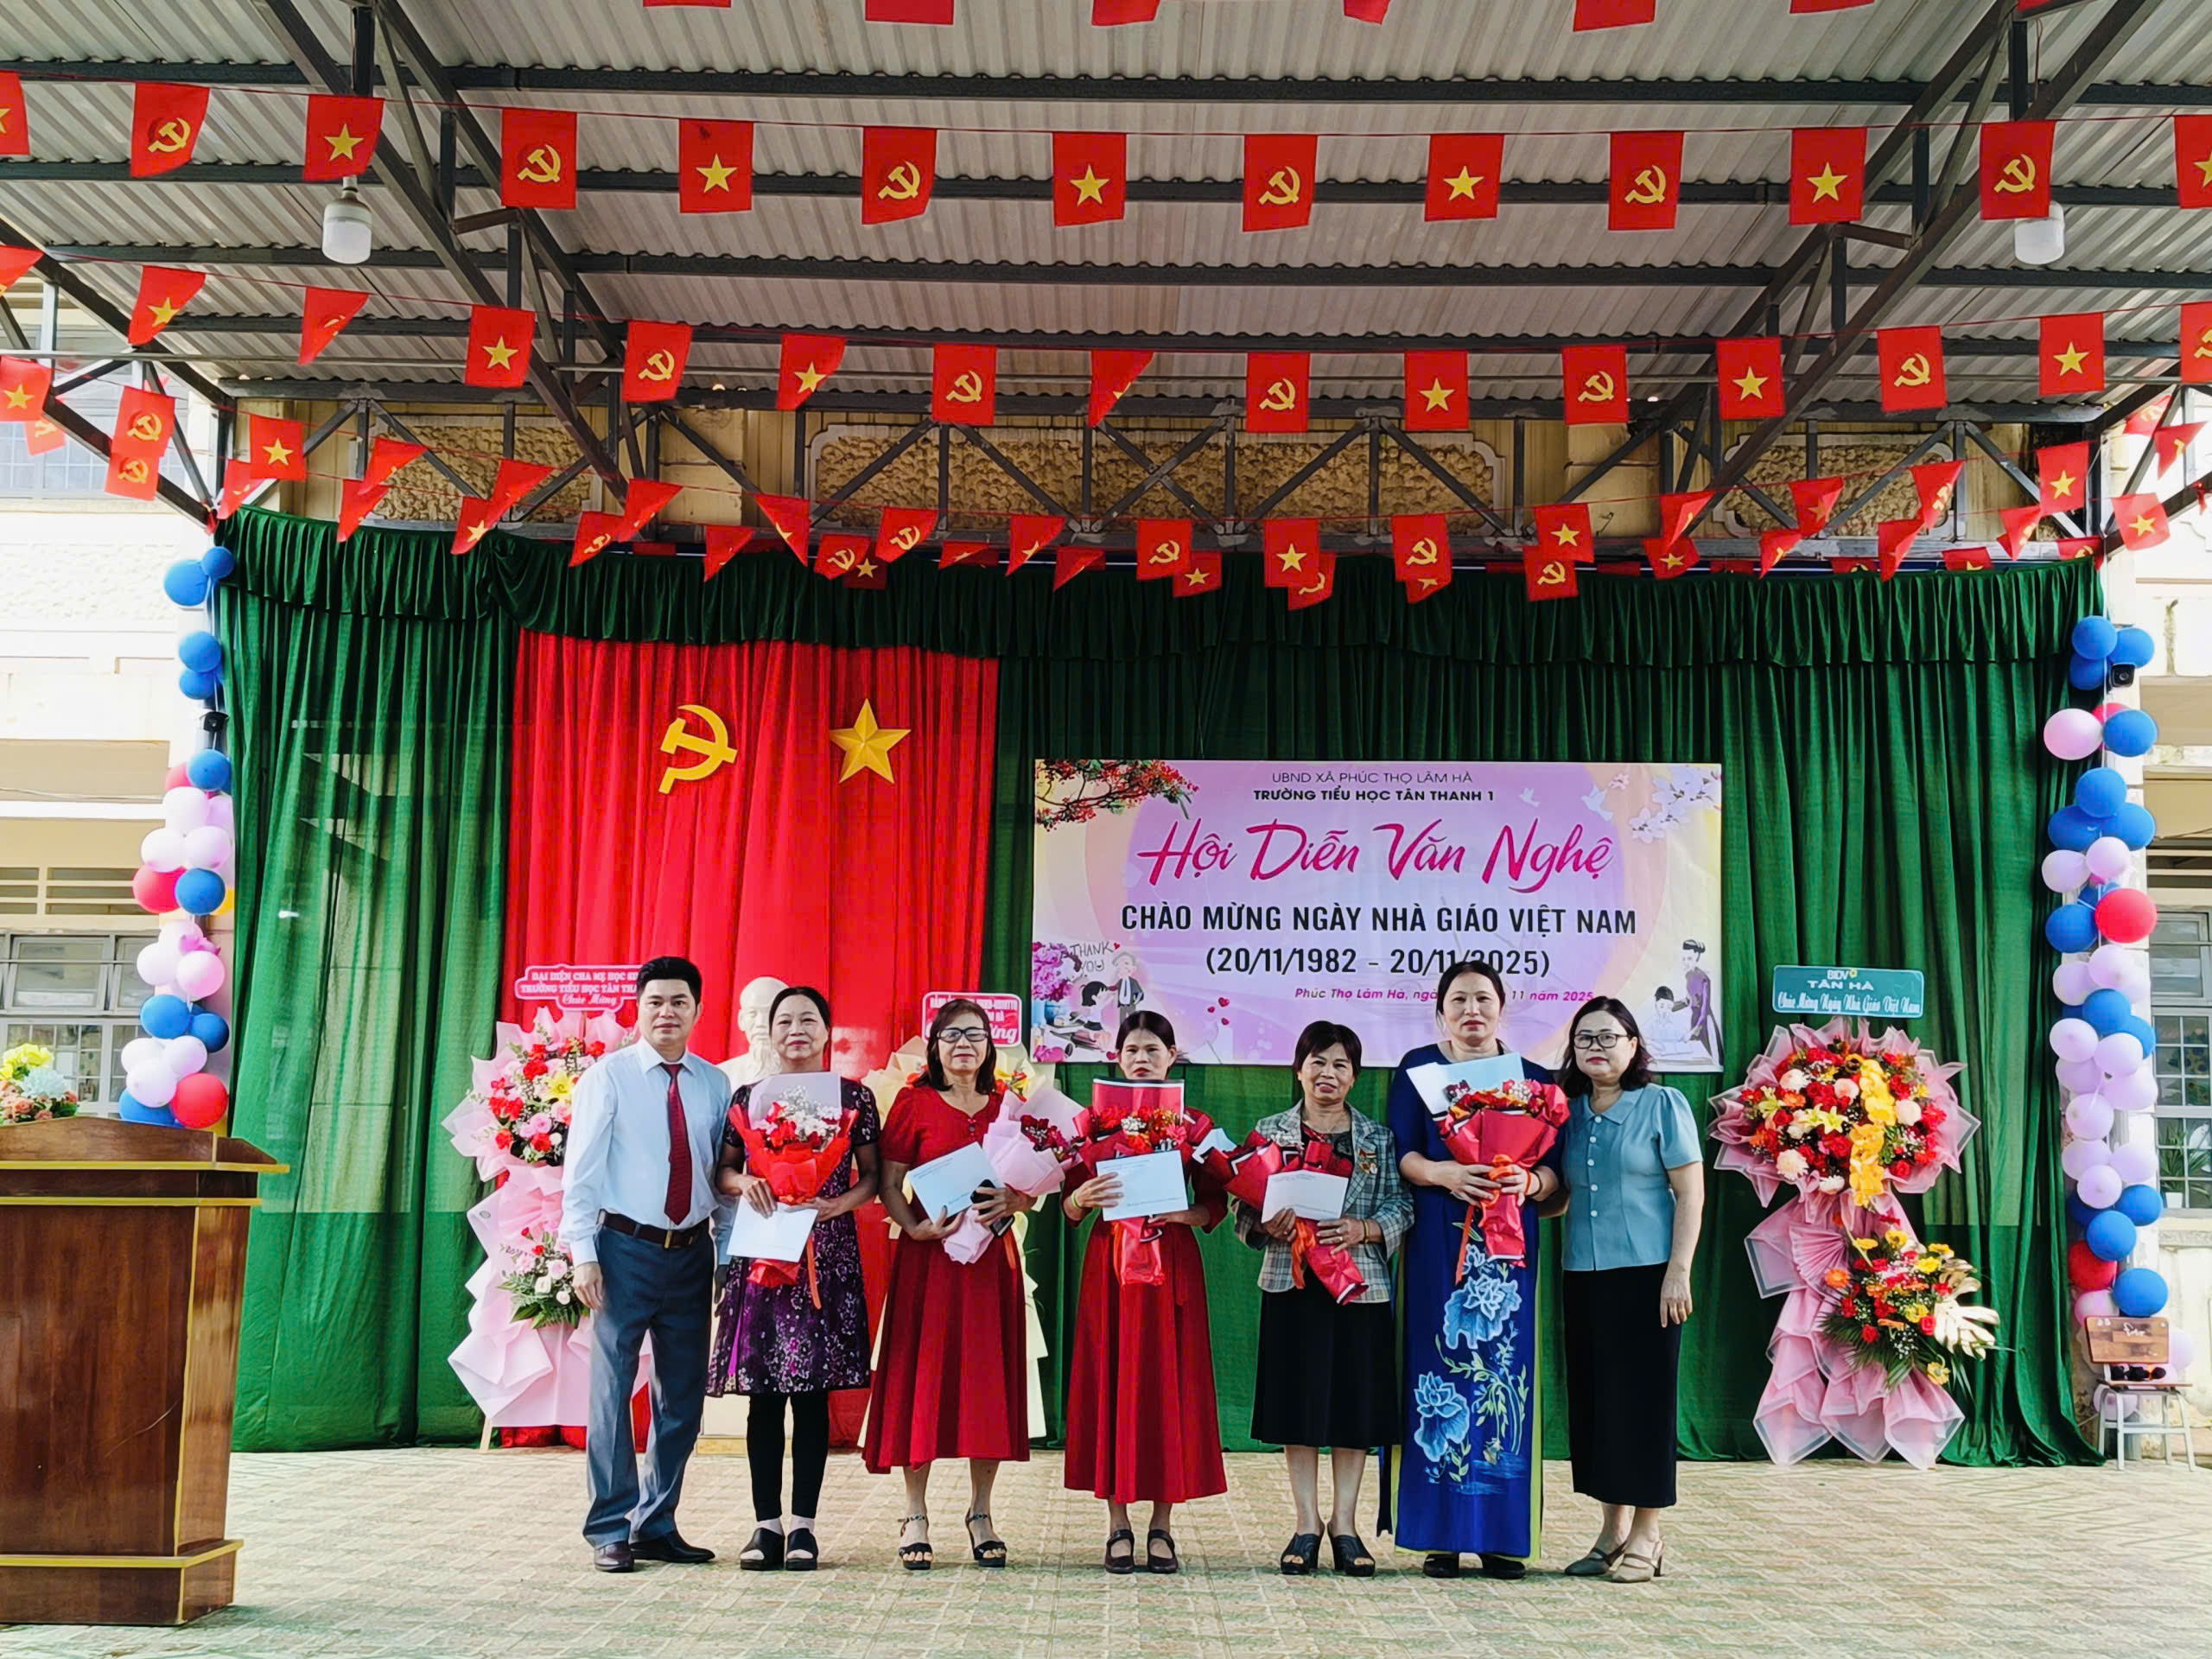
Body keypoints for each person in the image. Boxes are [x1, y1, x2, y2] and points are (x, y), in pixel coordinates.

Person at [1385, 959, 1560, 1580]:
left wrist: (1529, 1182)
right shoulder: (1416, 1070)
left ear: (1502, 1008)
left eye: (1483, 999)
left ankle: (1500, 1539)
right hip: (1437, 1241)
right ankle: (1439, 1535)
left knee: (1503, 1376)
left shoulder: (1535, 1080)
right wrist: (1445, 1173)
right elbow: (1401, 1153)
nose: (1471, 1011)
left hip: (1507, 1251)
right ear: (1441, 1012)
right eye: (1458, 1000)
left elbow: (1556, 1175)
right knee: (1437, 1370)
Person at [560, 957, 733, 1573]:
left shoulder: (714, 1083)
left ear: (698, 1010)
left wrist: (725, 1254)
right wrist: (583, 1255)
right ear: (638, 1008)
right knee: (612, 1390)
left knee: (682, 1395)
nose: (667, 1012)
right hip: (622, 1250)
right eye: (655, 1001)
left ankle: (656, 1523)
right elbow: (580, 1173)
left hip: (691, 1253)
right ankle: (610, 1527)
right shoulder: (608, 1078)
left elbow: (721, 1176)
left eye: (679, 1001)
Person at [709, 986, 880, 1573]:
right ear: (771, 1031)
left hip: (825, 1256)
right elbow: (724, 1170)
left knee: (812, 1396)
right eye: (785, 1021)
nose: (796, 1030)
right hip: (763, 1256)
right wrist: (745, 1183)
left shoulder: (854, 1097)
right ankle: (766, 1526)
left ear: (827, 1031)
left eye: (809, 1019)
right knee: (763, 1396)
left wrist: (839, 1204)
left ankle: (804, 1526)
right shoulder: (749, 1097)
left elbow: (871, 1177)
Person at [1234, 1020, 1411, 1579]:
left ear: (1355, 1077)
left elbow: (1403, 1206)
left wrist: (1365, 1229)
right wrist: (1267, 1224)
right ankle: (1306, 1524)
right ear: (1298, 1069)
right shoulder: (1270, 1132)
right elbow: (1242, 1208)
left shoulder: (1378, 1139)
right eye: (1317, 1061)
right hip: (1292, 1282)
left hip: (1360, 1287)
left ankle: (1346, 1526)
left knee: (1355, 1409)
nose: (1327, 1073)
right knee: (1299, 1405)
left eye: (1339, 1064)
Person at [864, 998, 1034, 1570]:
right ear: (935, 1047)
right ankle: (915, 1513)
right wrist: (913, 1228)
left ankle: (980, 1512)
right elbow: (889, 1182)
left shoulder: (1009, 1105)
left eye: (975, 1034)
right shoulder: (913, 1102)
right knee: (923, 1377)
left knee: (987, 1381)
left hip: (991, 1263)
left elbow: (1031, 1183)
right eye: (951, 1035)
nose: (964, 1044)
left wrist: (1018, 1199)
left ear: (990, 1046)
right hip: (929, 1260)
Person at [1059, 1011, 1227, 1574]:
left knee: (1167, 1385)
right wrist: (1083, 1198)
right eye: (1132, 1049)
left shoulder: (1194, 1126)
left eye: (1153, 1050)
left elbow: (1217, 1204)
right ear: (1117, 1057)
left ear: (1172, 1057)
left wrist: (1183, 1213)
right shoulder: (1091, 1124)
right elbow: (1069, 1206)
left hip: (1171, 1269)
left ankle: (1162, 1525)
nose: (1141, 1059)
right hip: (1110, 1270)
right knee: (1113, 1382)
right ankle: (1117, 1525)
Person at [1550, 996, 1704, 1586]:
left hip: (1648, 1277)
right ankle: (1611, 1532)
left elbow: (1690, 1193)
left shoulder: (1663, 1104)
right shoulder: (1568, 1113)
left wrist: (1679, 1271)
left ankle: (1648, 1534)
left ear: (1633, 1045)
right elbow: (1561, 1196)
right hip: (1583, 1275)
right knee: (1598, 1404)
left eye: (1608, 1037)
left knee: (1643, 1404)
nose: (1596, 1048)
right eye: (1584, 1038)